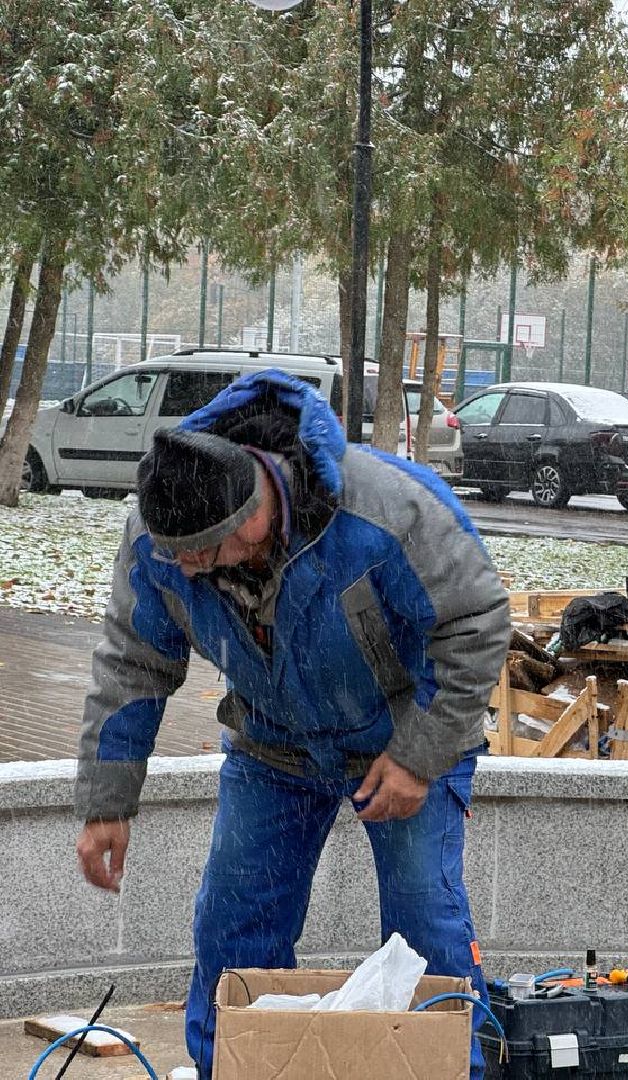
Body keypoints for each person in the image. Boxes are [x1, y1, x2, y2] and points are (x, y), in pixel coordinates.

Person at [73, 368, 510, 1079]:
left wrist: (418, 756)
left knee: (424, 924)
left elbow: (476, 623)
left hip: (406, 738)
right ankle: (234, 1068)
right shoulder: (162, 536)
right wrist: (106, 803)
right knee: (233, 923)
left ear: (253, 510)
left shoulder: (385, 509)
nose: (187, 568)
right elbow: (132, 667)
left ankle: (454, 1069)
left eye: (202, 552)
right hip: (272, 746)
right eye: (175, 554)